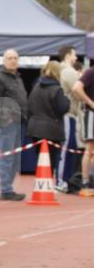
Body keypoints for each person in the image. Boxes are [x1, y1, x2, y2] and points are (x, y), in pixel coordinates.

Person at [0, 49, 27, 201]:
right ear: (4, 60)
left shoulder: (17, 78)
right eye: (9, 58)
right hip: (7, 124)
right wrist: (6, 118)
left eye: (15, 58)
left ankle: (9, 188)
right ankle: (5, 189)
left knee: (15, 158)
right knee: (8, 156)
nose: (13, 60)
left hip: (20, 122)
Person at [26, 61, 70, 175]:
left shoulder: (36, 86)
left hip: (35, 128)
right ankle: (46, 188)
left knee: (40, 160)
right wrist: (67, 99)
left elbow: (29, 106)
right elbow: (64, 108)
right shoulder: (57, 89)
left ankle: (40, 186)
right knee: (50, 162)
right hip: (51, 130)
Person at [56, 45, 83, 192]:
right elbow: (79, 90)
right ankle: (61, 181)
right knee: (67, 148)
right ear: (67, 56)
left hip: (69, 114)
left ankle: (65, 180)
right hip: (68, 115)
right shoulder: (68, 71)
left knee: (69, 148)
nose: (76, 58)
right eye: (74, 55)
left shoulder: (62, 70)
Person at [73, 64, 94, 196]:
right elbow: (76, 87)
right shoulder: (91, 72)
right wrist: (91, 103)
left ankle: (89, 180)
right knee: (89, 148)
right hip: (92, 114)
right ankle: (85, 182)